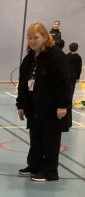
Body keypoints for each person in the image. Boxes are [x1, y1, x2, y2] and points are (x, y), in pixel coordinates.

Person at [16, 22, 72, 182]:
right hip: (35, 107)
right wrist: (21, 104)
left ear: (45, 37)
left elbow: (64, 82)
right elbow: (23, 82)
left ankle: (49, 172)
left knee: (50, 140)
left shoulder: (55, 55)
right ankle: (35, 165)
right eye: (30, 38)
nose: (32, 41)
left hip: (52, 107)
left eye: (36, 37)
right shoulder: (30, 57)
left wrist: (62, 105)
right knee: (36, 138)